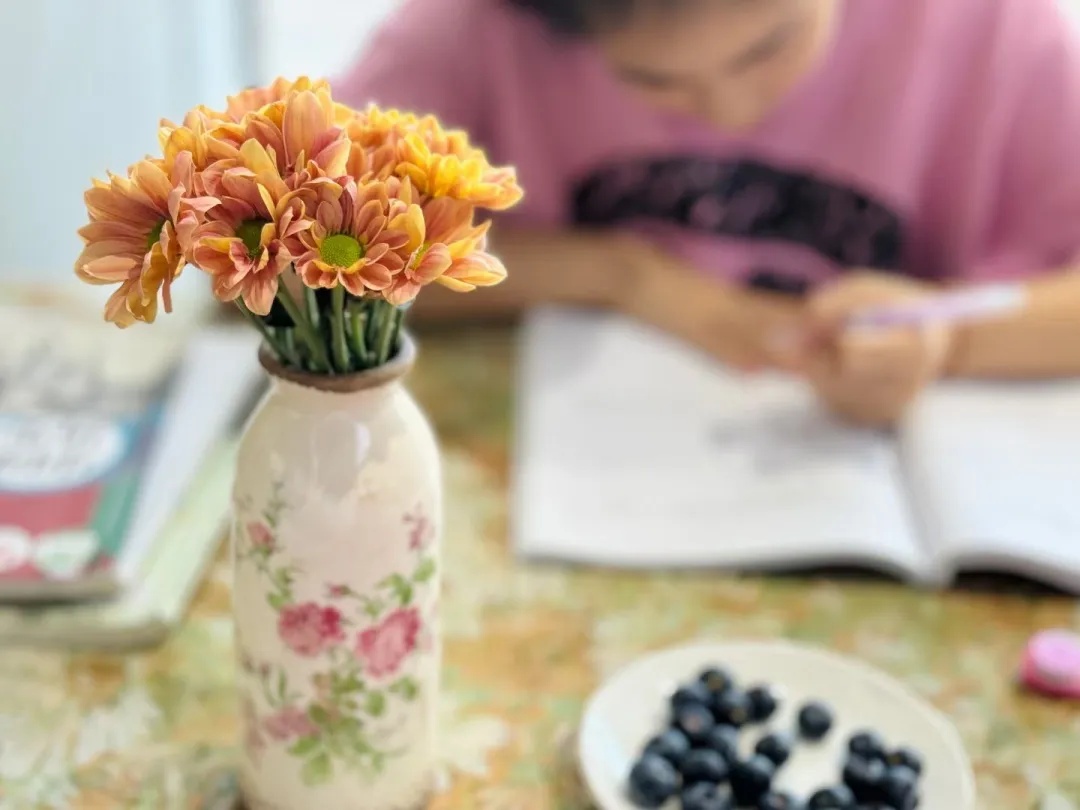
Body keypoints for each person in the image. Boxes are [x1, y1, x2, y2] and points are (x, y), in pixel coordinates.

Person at [335, 0, 1080, 425]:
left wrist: (948, 339)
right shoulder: (481, 26)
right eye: (649, 80)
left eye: (769, 48)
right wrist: (620, 274)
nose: (731, 109)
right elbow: (290, 256)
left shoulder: (998, 31)